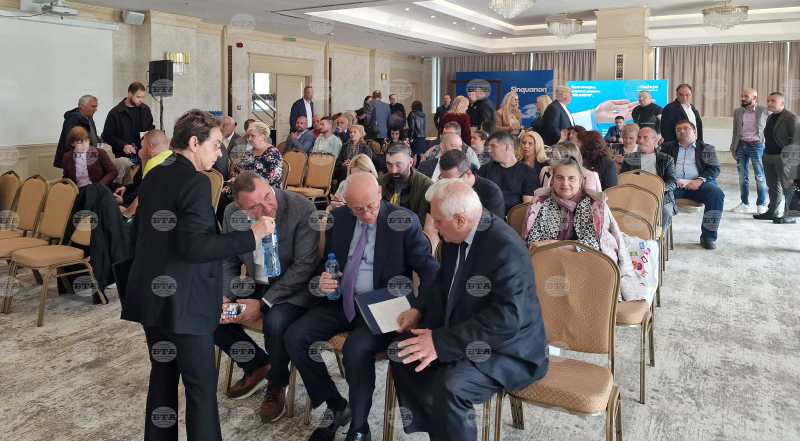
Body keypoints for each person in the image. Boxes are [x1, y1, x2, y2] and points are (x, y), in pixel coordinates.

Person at [120, 109, 273, 441]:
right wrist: (252, 235)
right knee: (201, 389)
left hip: (152, 295)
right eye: (215, 144)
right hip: (185, 302)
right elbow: (196, 247)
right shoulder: (195, 181)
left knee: (162, 380)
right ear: (194, 142)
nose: (219, 153)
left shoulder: (154, 172)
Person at [284, 172, 439, 441]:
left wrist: (418, 309)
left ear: (379, 193)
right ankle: (336, 405)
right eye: (357, 210)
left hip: (382, 306)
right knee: (295, 337)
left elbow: (430, 272)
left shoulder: (402, 220)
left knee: (356, 350)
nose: (366, 215)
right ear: (347, 204)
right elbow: (327, 262)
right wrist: (325, 277)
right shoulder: (339, 219)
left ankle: (359, 426)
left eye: (371, 207)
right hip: (341, 301)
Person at [392, 178, 548, 441]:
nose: (434, 227)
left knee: (450, 384)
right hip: (466, 327)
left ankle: (446, 428)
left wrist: (440, 342)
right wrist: (420, 311)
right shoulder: (457, 233)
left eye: (438, 221)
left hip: (508, 349)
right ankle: (439, 429)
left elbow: (506, 320)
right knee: (403, 353)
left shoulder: (505, 247)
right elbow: (441, 283)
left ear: (460, 220)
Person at [217, 170, 320, 423]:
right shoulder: (231, 214)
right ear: (241, 208)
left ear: (269, 185)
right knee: (211, 313)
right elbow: (229, 260)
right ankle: (257, 364)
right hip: (254, 283)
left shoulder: (301, 208)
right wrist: (225, 297)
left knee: (275, 322)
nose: (266, 208)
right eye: (255, 206)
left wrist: (263, 304)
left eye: (267, 197)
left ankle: (277, 382)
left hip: (293, 288)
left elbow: (304, 266)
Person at [524, 155, 646, 302]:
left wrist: (552, 244)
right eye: (559, 178)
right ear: (552, 180)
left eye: (571, 178)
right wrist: (560, 248)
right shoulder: (541, 204)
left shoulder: (593, 206)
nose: (565, 183)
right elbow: (533, 242)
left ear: (581, 181)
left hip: (588, 266)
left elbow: (594, 245)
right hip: (549, 266)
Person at [660, 120, 724, 249]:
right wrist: (672, 180)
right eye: (678, 129)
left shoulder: (707, 148)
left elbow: (714, 169)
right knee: (656, 194)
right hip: (675, 185)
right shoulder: (667, 147)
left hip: (698, 185)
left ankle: (708, 237)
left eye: (685, 128)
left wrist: (699, 180)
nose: (681, 131)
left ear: (694, 131)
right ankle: (657, 234)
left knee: (716, 194)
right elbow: (660, 167)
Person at [220, 122, 283, 221]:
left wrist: (250, 183)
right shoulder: (249, 153)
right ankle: (223, 226)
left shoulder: (272, 152)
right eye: (248, 136)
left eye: (252, 136)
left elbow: (274, 176)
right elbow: (237, 169)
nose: (249, 139)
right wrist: (234, 177)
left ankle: (243, 227)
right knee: (220, 197)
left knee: (235, 203)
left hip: (262, 189)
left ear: (262, 137)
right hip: (243, 186)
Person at [754, 92, 800, 223]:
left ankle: (790, 215)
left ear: (782, 103)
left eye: (773, 101)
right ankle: (772, 212)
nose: (769, 103)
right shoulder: (770, 117)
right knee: (773, 186)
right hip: (768, 155)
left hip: (784, 158)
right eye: (768, 101)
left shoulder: (792, 117)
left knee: (788, 188)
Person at [622, 128, 678, 235]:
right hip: (635, 195)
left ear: (655, 140)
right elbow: (624, 180)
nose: (641, 141)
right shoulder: (630, 158)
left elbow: (672, 182)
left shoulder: (666, 159)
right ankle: (632, 238)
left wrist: (656, 189)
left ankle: (656, 240)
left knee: (666, 212)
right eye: (639, 137)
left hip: (661, 196)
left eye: (645, 138)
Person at [476, 131, 539, 214]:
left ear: (506, 146)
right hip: (485, 215)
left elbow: (526, 205)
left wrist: (510, 218)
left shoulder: (529, 172)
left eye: (493, 146)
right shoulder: (486, 168)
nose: (489, 150)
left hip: (511, 217)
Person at [730, 89, 769, 214]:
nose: (743, 98)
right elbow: (735, 131)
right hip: (741, 146)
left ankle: (761, 204)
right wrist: (733, 148)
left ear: (754, 97)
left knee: (760, 176)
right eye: (742, 96)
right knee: (742, 177)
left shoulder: (764, 110)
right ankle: (745, 203)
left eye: (746, 96)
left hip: (758, 146)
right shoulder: (738, 111)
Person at [114, 130, 170, 217]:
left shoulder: (153, 163)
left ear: (150, 146)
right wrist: (144, 160)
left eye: (143, 146)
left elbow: (143, 195)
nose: (142, 150)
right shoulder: (175, 158)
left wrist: (126, 212)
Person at [378, 143, 434, 225]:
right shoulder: (380, 182)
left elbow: (422, 224)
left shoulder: (425, 186)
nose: (393, 171)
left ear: (410, 162)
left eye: (398, 164)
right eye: (389, 164)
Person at [439, 149, 504, 219]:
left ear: (468, 174)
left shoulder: (491, 192)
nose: (447, 185)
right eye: (443, 179)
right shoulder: (443, 188)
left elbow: (493, 224)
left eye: (452, 181)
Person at [102, 82, 155, 158]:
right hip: (123, 156)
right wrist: (122, 146)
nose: (141, 100)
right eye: (138, 97)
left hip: (144, 154)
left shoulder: (145, 109)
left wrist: (149, 132)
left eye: (142, 97)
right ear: (130, 94)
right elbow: (107, 135)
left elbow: (150, 126)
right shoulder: (115, 113)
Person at [55, 94, 99, 168]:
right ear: (82, 106)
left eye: (96, 107)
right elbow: (70, 141)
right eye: (93, 106)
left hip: (88, 157)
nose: (95, 109)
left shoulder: (89, 117)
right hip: (76, 160)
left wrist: (95, 137)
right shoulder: (72, 119)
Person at [407, 100, 427, 165]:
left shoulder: (412, 114)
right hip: (422, 136)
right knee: (421, 154)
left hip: (415, 136)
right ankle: (423, 168)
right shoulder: (423, 115)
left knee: (414, 154)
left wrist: (411, 137)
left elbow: (412, 127)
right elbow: (424, 126)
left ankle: (413, 169)